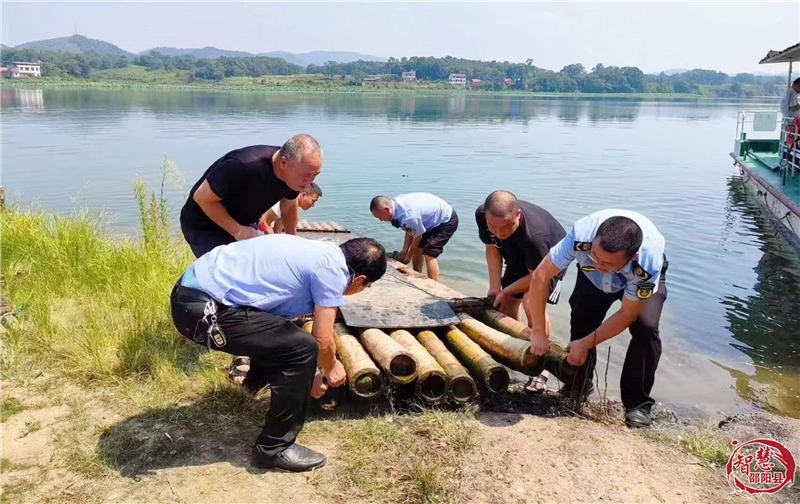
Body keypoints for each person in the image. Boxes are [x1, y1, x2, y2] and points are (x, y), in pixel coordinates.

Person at [170, 235, 387, 472]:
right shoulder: (333, 272)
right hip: (201, 311)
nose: (362, 290)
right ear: (360, 279)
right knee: (302, 347)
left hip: (191, 294)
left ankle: (251, 386)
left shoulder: (322, 253)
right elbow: (323, 340)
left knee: (282, 333)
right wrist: (330, 367)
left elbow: (276, 325)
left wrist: (309, 374)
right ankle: (274, 448)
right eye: (366, 287)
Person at [526, 209, 667, 428]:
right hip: (589, 278)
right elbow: (540, 276)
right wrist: (538, 331)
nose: (601, 266)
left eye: (608, 263)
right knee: (582, 317)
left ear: (632, 257)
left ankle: (637, 405)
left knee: (645, 327)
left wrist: (587, 343)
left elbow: (627, 314)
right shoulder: (581, 235)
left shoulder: (647, 264)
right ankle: (579, 385)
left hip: (634, 283)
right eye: (596, 257)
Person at [475, 191, 566, 392]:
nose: (499, 232)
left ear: (518, 215)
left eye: (506, 226)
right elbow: (492, 249)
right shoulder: (483, 215)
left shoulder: (535, 236)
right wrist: (495, 287)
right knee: (505, 305)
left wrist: (506, 290)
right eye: (493, 227)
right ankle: (517, 349)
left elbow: (538, 278)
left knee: (530, 302)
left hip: (549, 260)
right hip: (518, 252)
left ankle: (542, 366)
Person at [180, 134, 322, 258]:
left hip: (243, 221)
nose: (309, 182)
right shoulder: (243, 164)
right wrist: (237, 230)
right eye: (305, 176)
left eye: (315, 175)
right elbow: (201, 197)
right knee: (229, 274)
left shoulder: (295, 173)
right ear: (283, 162)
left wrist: (292, 242)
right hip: (205, 223)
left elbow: (289, 205)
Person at [370, 193, 458, 281]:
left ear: (387, 210)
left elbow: (417, 237)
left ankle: (434, 284)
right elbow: (410, 230)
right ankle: (418, 276)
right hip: (429, 218)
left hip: (445, 220)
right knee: (417, 248)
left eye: (380, 217)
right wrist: (404, 251)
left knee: (429, 252)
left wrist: (408, 256)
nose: (381, 220)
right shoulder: (397, 207)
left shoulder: (409, 216)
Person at [258, 183, 322, 234]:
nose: (312, 205)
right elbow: (262, 223)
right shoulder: (282, 203)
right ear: (303, 195)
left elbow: (277, 232)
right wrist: (272, 239)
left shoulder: (288, 210)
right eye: (313, 201)